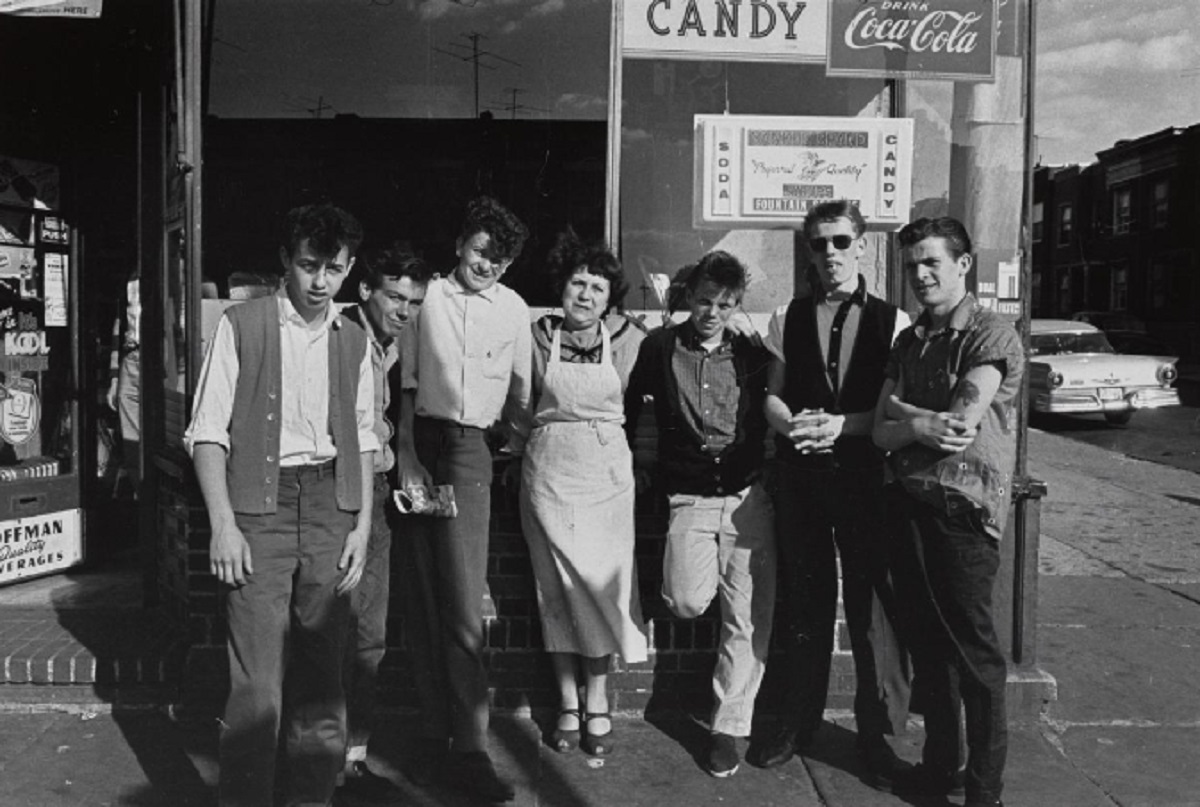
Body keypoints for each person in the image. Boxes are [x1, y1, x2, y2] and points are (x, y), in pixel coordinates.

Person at [185, 202, 377, 807]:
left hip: (331, 508)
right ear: (285, 263)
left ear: (349, 270)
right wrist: (223, 525)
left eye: (335, 269)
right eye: (308, 265)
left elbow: (365, 437)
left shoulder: (354, 338)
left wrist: (363, 525)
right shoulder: (242, 325)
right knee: (257, 689)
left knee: (323, 682)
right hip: (259, 514)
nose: (321, 281)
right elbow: (207, 432)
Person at [750, 200, 911, 784]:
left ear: (863, 246)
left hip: (866, 480)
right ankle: (798, 724)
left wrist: (843, 426)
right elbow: (772, 394)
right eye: (818, 244)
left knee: (870, 612)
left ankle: (875, 738)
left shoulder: (894, 322)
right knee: (806, 602)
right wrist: (790, 425)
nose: (830, 254)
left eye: (841, 242)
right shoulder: (785, 315)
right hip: (803, 480)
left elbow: (892, 410)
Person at [872, 216, 1025, 807]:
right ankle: (940, 774)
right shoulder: (908, 342)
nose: (921, 274)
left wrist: (909, 419)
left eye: (933, 261)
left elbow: (960, 424)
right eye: (912, 265)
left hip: (961, 512)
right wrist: (914, 422)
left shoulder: (990, 332)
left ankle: (985, 795)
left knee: (975, 656)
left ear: (963, 265)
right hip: (908, 504)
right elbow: (881, 434)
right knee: (929, 650)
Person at [394, 195, 531, 802]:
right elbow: (405, 381)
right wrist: (406, 455)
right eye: (481, 252)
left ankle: (472, 748)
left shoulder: (515, 310)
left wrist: (504, 445)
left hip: (470, 453)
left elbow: (526, 396)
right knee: (423, 592)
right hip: (422, 446)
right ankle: (431, 731)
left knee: (461, 597)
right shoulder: (428, 301)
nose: (489, 265)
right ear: (460, 245)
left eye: (500, 260)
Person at [624, 251, 776, 778]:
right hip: (688, 493)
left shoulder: (752, 354)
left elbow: (767, 418)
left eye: (725, 304)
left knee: (748, 617)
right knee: (686, 600)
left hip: (747, 495)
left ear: (737, 305)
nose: (713, 312)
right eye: (706, 300)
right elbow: (639, 411)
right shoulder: (659, 346)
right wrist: (642, 464)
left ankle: (727, 727)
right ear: (690, 296)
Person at [516, 229, 649, 757]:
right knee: (556, 591)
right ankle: (568, 703)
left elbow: (638, 407)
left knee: (599, 589)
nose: (586, 295)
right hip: (549, 472)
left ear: (609, 295)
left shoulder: (629, 339)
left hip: (607, 477)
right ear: (563, 287)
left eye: (597, 286)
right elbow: (518, 405)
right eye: (578, 283)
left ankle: (599, 701)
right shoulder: (536, 335)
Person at [337, 247, 432, 803]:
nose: (404, 310)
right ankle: (320, 755)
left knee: (370, 633)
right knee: (333, 631)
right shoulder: (340, 337)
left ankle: (353, 756)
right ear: (368, 290)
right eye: (395, 296)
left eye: (414, 301)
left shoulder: (391, 347)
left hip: (377, 498)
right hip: (338, 500)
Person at [106, 270, 140, 494]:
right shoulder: (132, 278)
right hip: (131, 357)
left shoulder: (177, 267)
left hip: (164, 360)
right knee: (131, 437)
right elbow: (120, 326)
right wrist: (114, 377)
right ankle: (142, 492)